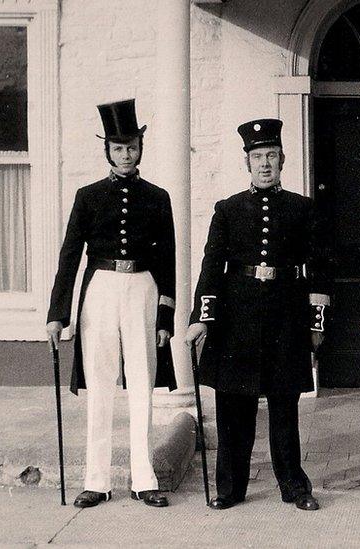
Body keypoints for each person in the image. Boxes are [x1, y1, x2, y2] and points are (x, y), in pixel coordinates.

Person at [185, 118, 332, 511]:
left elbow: (318, 269)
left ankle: (295, 486)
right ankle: (230, 489)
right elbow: (211, 267)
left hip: (287, 316)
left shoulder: (302, 208)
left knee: (284, 408)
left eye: (271, 155)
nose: (264, 163)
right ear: (246, 162)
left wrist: (316, 324)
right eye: (257, 156)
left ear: (282, 159)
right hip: (237, 320)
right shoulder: (228, 210)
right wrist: (202, 318)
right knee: (235, 408)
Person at [46, 99, 176, 509]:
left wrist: (165, 315)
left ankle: (143, 479)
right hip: (99, 290)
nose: (126, 155)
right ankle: (96, 481)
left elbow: (167, 257)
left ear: (141, 149)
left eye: (132, 147)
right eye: (119, 148)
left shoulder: (158, 197)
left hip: (142, 288)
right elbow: (70, 255)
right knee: (100, 386)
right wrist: (57, 314)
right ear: (107, 151)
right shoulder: (88, 196)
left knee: (142, 385)